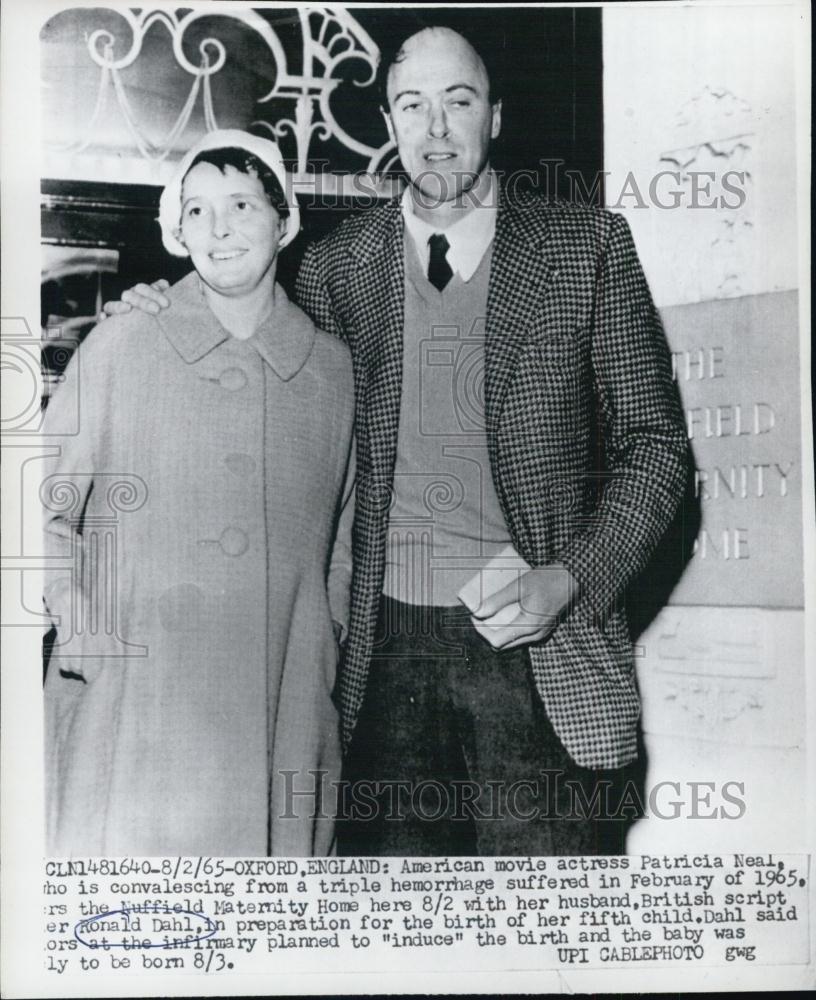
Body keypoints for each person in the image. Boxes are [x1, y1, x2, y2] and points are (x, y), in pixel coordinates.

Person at [102, 26, 689, 856]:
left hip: (537, 654)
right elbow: (251, 373)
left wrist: (572, 578)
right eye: (414, 105)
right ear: (388, 121)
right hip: (381, 665)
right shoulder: (338, 267)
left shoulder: (586, 248)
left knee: (541, 950)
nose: (437, 128)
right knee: (391, 950)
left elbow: (657, 448)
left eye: (460, 101)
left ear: (495, 117)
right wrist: (156, 314)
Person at [42, 129, 355, 856]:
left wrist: (322, 652)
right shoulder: (122, 344)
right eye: (197, 211)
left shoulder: (333, 373)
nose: (219, 230)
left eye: (242, 204)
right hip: (130, 712)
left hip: (284, 717)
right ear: (175, 231)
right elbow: (35, 510)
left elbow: (343, 545)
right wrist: (81, 628)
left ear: (284, 220)